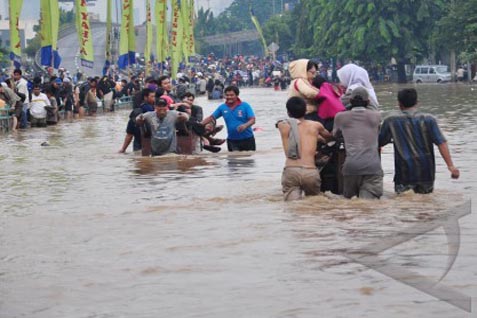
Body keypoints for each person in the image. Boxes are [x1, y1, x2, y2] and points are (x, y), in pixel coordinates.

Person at [379, 88, 460, 194]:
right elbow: (441, 143)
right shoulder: (429, 120)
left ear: (399, 103)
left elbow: (380, 142)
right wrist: (451, 166)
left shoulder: (391, 121)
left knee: (404, 205)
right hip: (426, 172)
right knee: (425, 204)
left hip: (403, 173)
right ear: (417, 103)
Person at [276, 96, 331, 201]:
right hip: (310, 171)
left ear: (288, 112)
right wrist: (317, 138)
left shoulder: (283, 126)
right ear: (306, 111)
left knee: (293, 207)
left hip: (291, 171)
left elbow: (281, 123)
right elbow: (329, 137)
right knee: (314, 204)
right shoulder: (316, 126)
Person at [333, 87, 383, 199]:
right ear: (368, 102)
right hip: (372, 168)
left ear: (350, 101)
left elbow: (335, 135)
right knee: (368, 205)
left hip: (350, 167)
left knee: (351, 205)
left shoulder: (340, 117)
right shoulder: (376, 116)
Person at [201, 85, 256, 152]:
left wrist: (245, 126)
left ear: (237, 95)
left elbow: (252, 120)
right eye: (227, 95)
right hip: (232, 141)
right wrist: (199, 124)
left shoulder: (245, 106)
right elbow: (211, 117)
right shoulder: (222, 107)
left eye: (232, 95)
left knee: (249, 160)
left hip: (247, 139)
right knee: (232, 160)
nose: (229, 97)